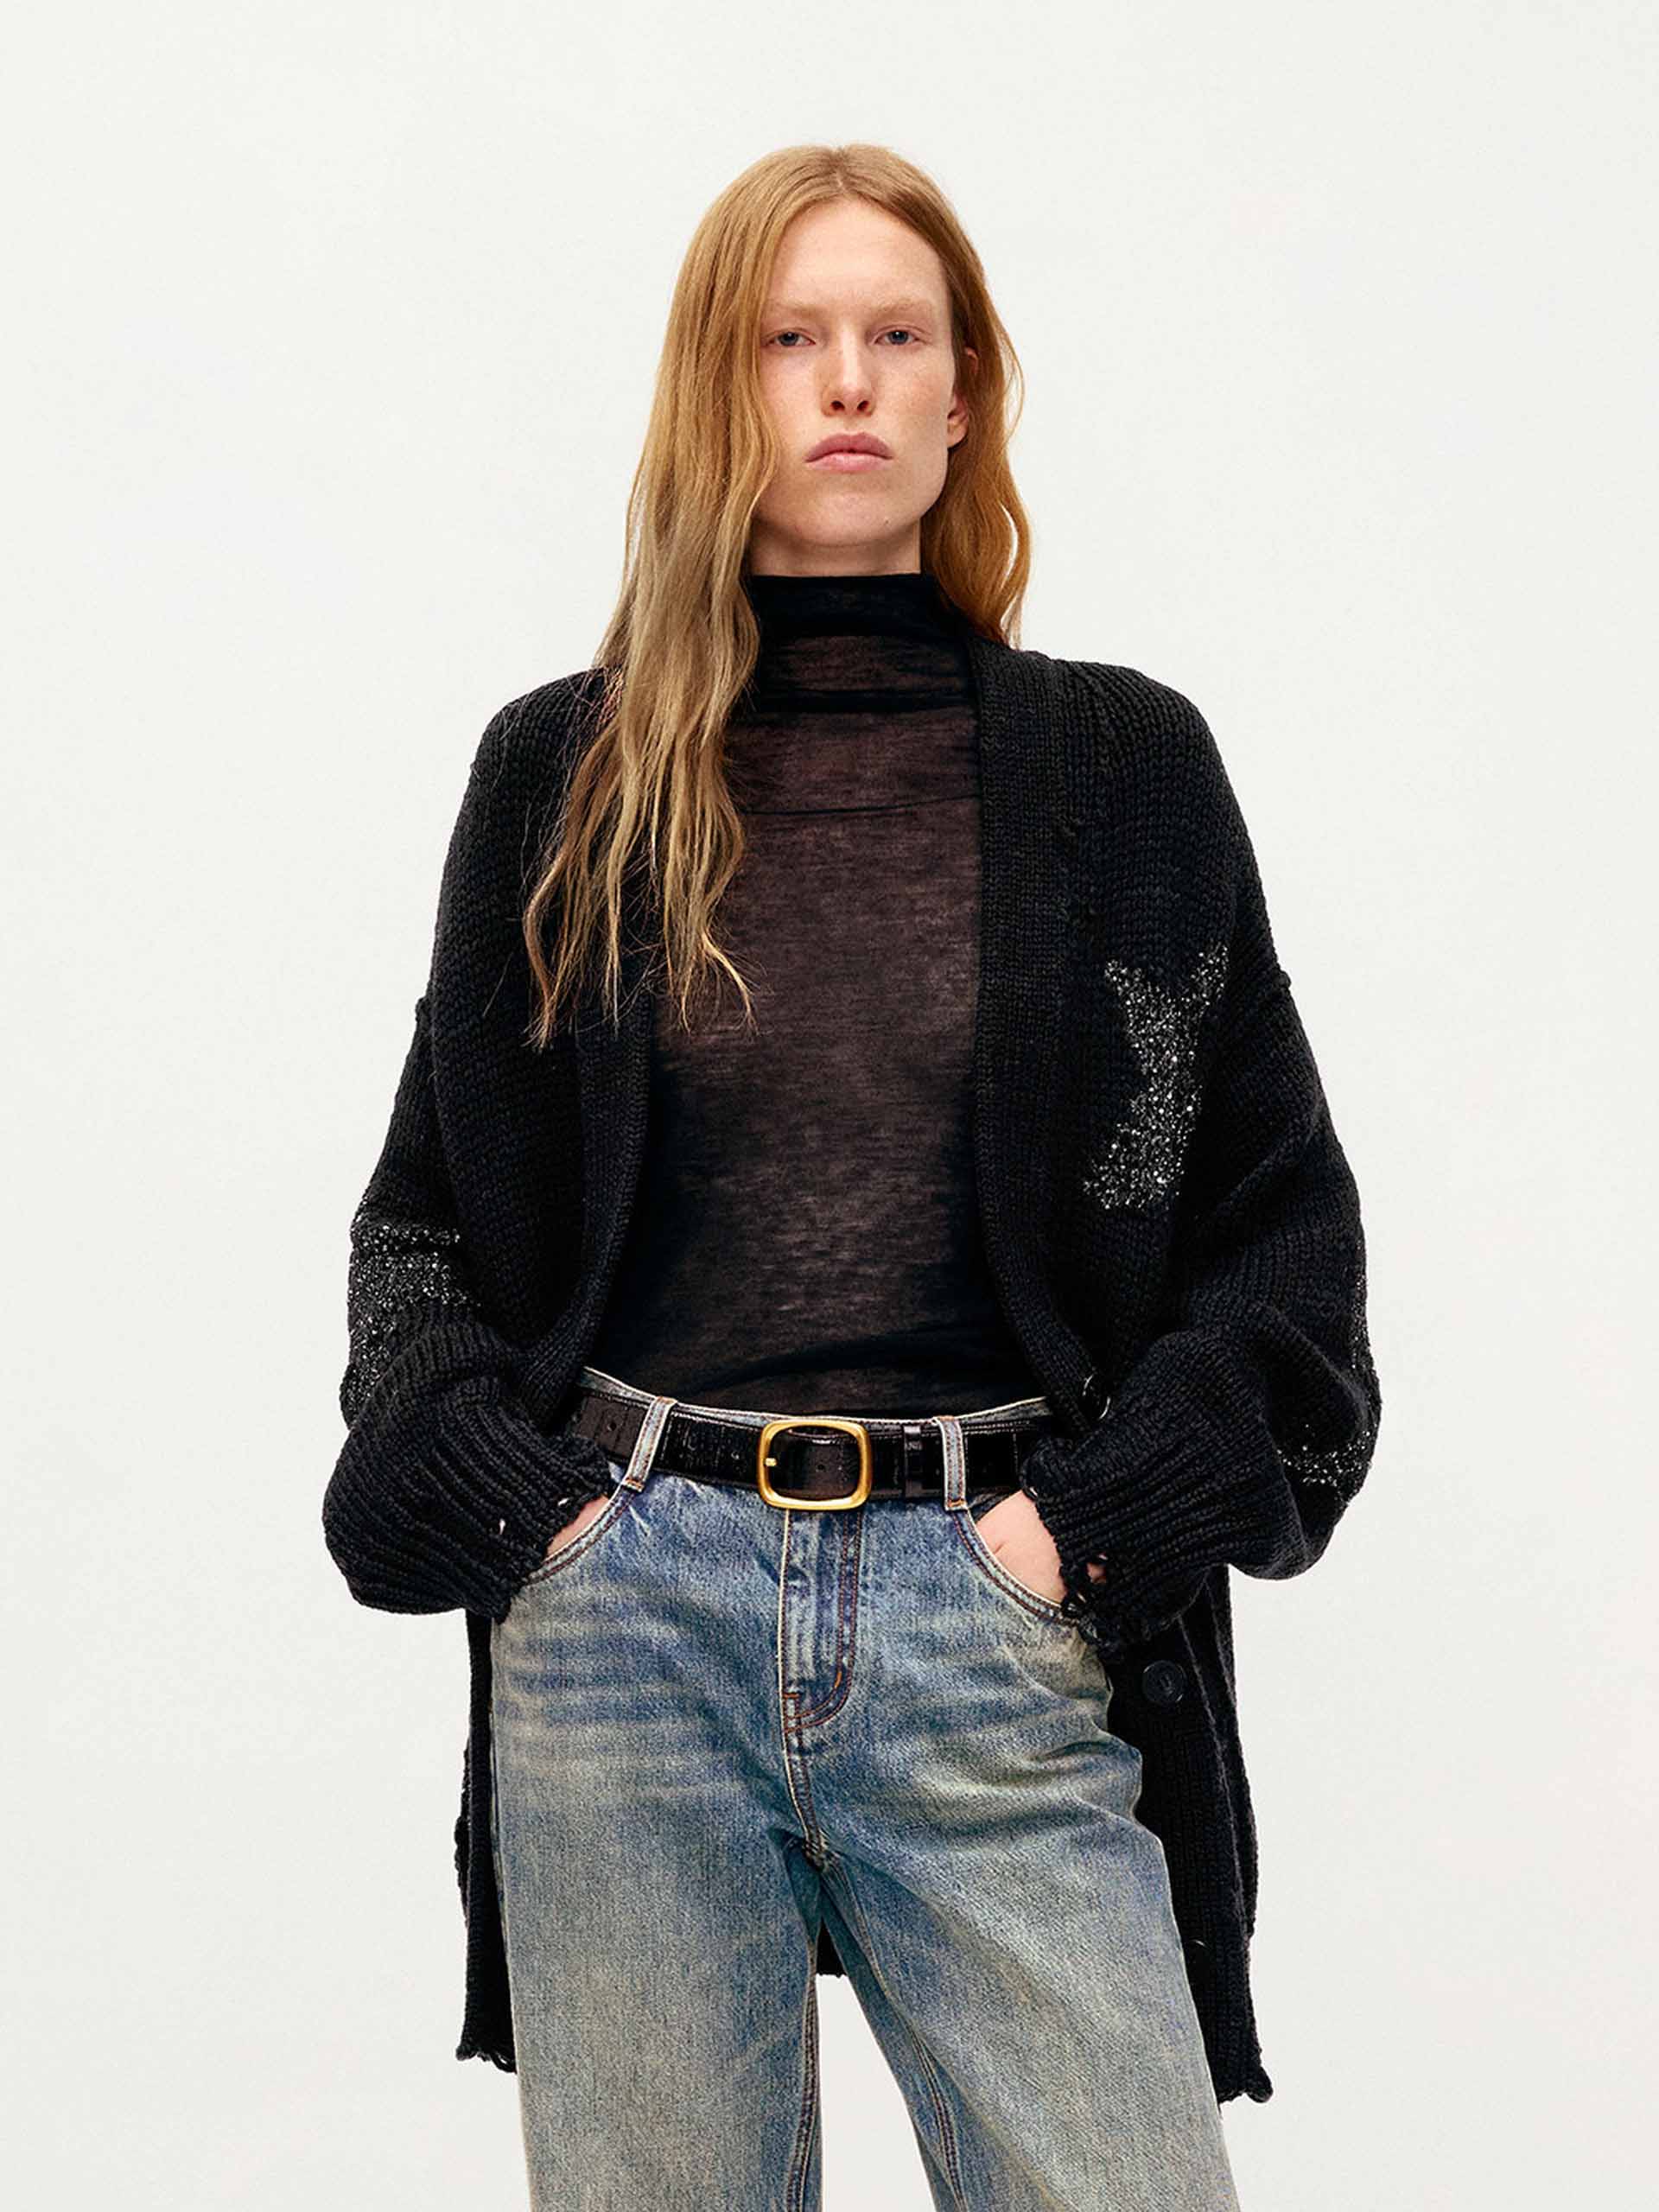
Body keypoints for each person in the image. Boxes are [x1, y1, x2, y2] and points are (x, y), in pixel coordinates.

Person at [322, 143, 1382, 2212]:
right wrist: (538, 1523)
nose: (847, 380)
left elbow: (1283, 1237)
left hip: (1000, 1609)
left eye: (899, 334)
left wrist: (1086, 1533)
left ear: (964, 391)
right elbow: (423, 1225)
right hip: (623, 1620)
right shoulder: (561, 771)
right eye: (789, 337)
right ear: (715, 390)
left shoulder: (1128, 768)